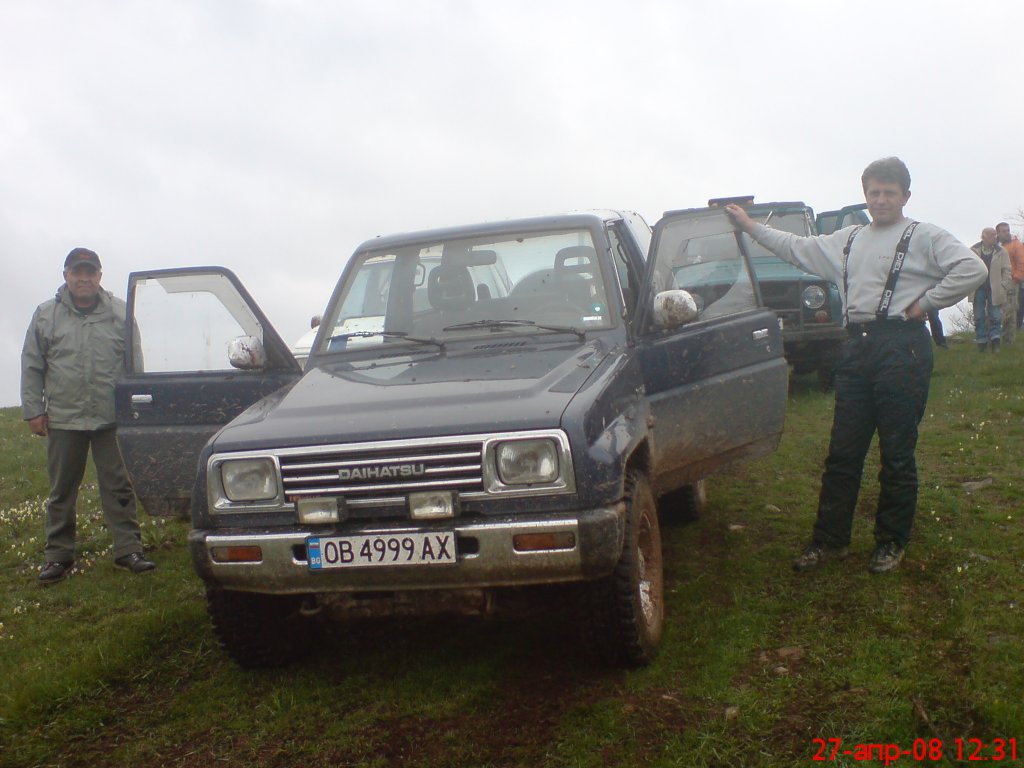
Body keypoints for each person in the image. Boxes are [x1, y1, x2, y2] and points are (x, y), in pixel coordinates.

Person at [725, 157, 986, 574]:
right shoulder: (846, 240)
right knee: (843, 452)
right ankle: (830, 541)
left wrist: (926, 303)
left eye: (889, 193)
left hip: (902, 347)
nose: (881, 200)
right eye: (874, 193)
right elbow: (796, 247)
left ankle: (891, 541)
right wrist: (750, 226)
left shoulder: (925, 236)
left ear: (905, 196)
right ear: (865, 195)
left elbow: (972, 268)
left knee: (897, 452)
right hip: (857, 347)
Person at [21, 248, 157, 584]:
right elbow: (32, 365)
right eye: (77, 272)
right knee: (62, 491)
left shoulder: (120, 314)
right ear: (66, 275)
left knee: (119, 486)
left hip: (111, 418)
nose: (84, 278)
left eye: (90, 272)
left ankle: (128, 550)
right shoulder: (45, 315)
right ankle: (58, 556)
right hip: (64, 419)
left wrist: (136, 408)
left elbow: (134, 364)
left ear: (99, 276)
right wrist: (34, 410)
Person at [968, 228, 1012, 352]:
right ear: (984, 237)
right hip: (978, 289)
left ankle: (995, 340)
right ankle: (981, 341)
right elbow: (967, 268)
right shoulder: (973, 250)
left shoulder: (1001, 251)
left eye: (995, 235)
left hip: (995, 289)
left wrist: (1004, 285)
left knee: (996, 316)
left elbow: (1007, 270)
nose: (995, 237)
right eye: (992, 235)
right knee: (979, 316)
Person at [995, 222, 1024, 337]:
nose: (1007, 233)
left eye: (1008, 230)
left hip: (1011, 282)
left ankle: (1008, 339)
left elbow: (1022, 263)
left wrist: (1016, 278)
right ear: (998, 233)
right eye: (1004, 231)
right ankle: (994, 335)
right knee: (995, 310)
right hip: (996, 282)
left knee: (1010, 311)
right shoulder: (995, 245)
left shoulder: (1016, 245)